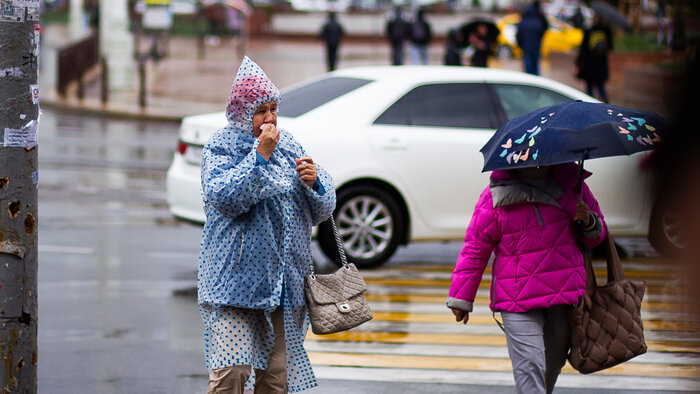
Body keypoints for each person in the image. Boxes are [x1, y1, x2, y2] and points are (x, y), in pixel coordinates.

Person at [198, 56, 336, 394]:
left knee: (276, 379)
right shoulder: (222, 146)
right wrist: (259, 156)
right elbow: (223, 196)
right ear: (242, 111)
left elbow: (322, 209)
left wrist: (316, 183)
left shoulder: (289, 145)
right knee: (232, 372)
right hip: (234, 284)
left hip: (286, 284)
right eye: (261, 110)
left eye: (274, 108)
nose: (270, 118)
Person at [447, 163, 607, 394]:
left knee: (549, 369)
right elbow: (475, 247)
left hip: (563, 298)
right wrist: (461, 298)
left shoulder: (574, 185)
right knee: (530, 368)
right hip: (517, 299)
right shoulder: (495, 193)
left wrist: (589, 222)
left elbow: (597, 237)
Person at [575, 14, 613, 103]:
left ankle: (590, 106)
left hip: (589, 65)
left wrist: (578, 63)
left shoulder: (589, 31)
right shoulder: (606, 31)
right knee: (601, 88)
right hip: (601, 65)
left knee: (589, 89)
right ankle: (606, 106)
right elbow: (610, 47)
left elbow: (583, 50)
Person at [516, 2, 547, 75]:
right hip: (536, 47)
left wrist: (521, 45)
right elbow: (542, 33)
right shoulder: (538, 22)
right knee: (536, 65)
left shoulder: (523, 23)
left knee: (528, 66)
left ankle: (529, 80)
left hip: (526, 47)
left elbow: (518, 36)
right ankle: (536, 81)